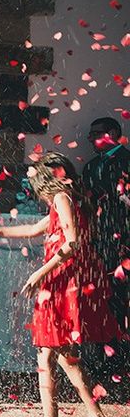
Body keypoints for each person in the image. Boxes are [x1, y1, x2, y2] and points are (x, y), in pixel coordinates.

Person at [0, 152, 121, 417]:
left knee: (47, 353)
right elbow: (34, 229)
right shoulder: (69, 200)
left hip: (59, 285)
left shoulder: (61, 199)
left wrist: (40, 274)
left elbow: (71, 244)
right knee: (63, 356)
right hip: (65, 283)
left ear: (45, 181)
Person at [82, 117, 129, 330]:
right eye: (91, 134)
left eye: (97, 134)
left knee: (121, 293)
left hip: (123, 234)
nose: (91, 139)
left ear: (113, 133)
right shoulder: (90, 166)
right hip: (97, 236)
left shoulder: (127, 161)